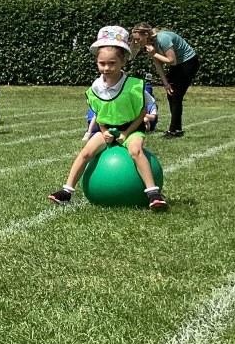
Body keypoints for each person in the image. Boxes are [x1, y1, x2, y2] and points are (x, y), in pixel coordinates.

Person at [48, 25, 167, 210]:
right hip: (107, 130)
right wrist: (104, 132)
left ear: (123, 61)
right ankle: (67, 191)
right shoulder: (96, 88)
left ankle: (153, 193)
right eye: (102, 63)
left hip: (132, 129)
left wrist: (126, 134)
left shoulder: (133, 86)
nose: (106, 68)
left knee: (136, 151)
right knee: (86, 152)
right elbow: (99, 114)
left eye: (112, 63)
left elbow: (143, 112)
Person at [130, 22, 199, 138]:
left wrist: (154, 53)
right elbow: (158, 64)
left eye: (138, 39)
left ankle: (175, 130)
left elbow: (172, 61)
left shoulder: (163, 39)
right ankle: (176, 129)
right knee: (171, 94)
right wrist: (166, 83)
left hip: (189, 62)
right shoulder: (149, 44)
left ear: (146, 34)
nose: (136, 42)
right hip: (178, 65)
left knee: (176, 95)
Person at [84, 80, 157, 140]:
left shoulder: (145, 101)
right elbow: (98, 116)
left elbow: (149, 115)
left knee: (135, 149)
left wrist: (126, 133)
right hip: (106, 125)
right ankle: (90, 132)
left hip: (129, 127)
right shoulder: (104, 97)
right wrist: (104, 131)